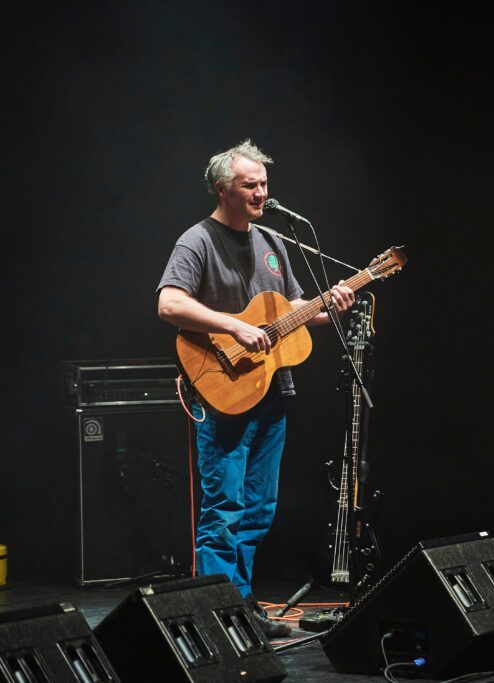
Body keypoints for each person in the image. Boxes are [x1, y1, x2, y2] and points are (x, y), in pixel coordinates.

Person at [157, 140, 353, 637]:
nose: (262, 191)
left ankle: (241, 609)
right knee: (223, 508)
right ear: (224, 188)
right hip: (221, 390)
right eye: (251, 184)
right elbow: (170, 304)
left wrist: (330, 305)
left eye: (264, 183)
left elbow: (293, 311)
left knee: (259, 509)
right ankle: (218, 620)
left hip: (270, 392)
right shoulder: (196, 241)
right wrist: (233, 327)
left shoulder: (274, 243)